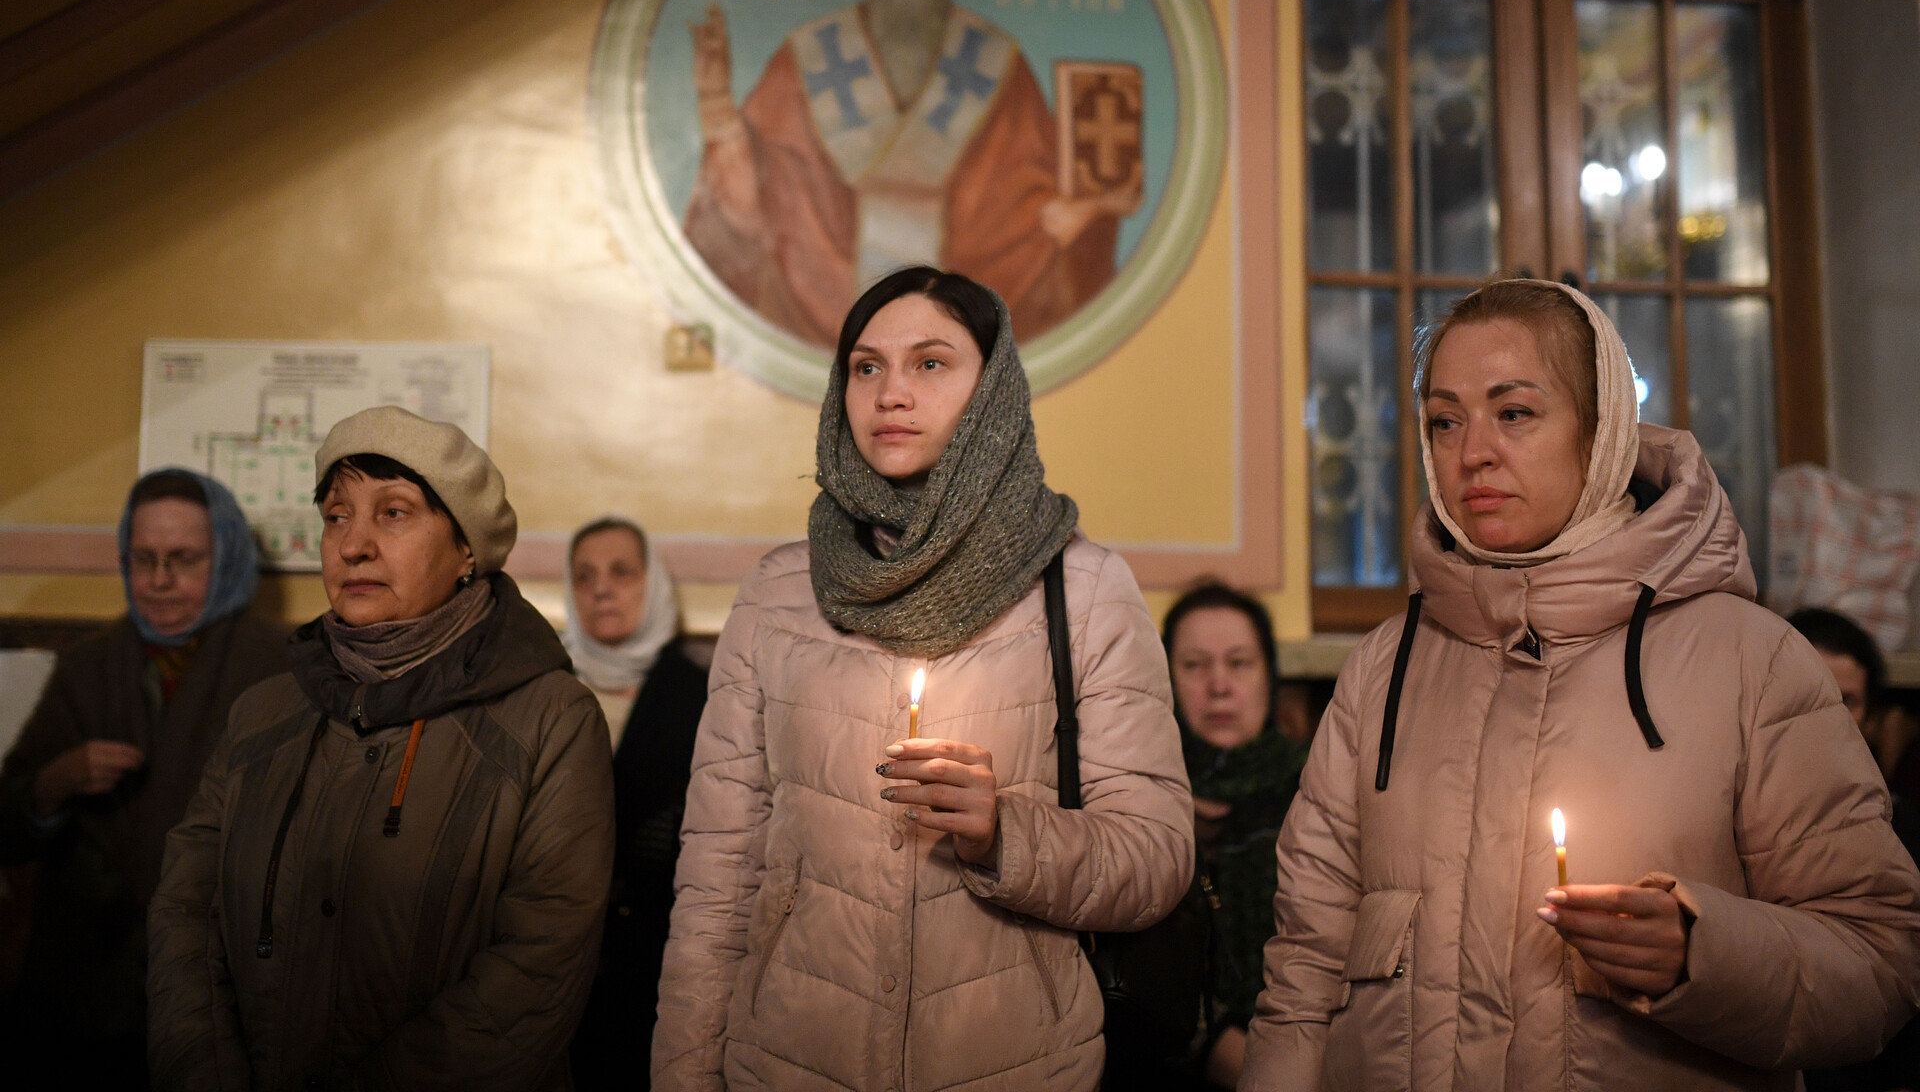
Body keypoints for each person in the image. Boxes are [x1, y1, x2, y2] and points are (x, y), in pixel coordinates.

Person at [1241, 280, 1920, 1090]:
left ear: (1602, 432)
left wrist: (1701, 954)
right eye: (1445, 421)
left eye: (1515, 413)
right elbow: (1303, 976)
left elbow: (1880, 960)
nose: (1473, 453)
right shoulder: (1384, 669)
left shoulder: (1752, 662)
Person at [650, 266, 1193, 1091]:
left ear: (992, 392)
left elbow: (1155, 857)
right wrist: (683, 1077)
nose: (891, 394)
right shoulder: (778, 593)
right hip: (792, 1061)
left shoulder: (1080, 587)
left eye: (930, 364)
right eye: (867, 368)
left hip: (1015, 1065)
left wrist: (1002, 833)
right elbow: (718, 879)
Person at [147, 407, 616, 1090]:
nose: (354, 545)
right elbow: (184, 912)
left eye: (393, 514)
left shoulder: (550, 723)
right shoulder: (261, 714)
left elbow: (538, 968)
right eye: (337, 516)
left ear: (466, 552)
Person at [684, 0, 1139, 345]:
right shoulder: (810, 55)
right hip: (823, 289)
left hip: (965, 299)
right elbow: (762, 190)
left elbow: (1023, 185)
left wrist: (1074, 215)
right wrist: (716, 98)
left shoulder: (994, 59)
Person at [0, 469, 283, 1088]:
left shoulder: (282, 673)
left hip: (223, 989)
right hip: (83, 990)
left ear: (228, 558)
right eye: (143, 559)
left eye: (184, 560)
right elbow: (6, 822)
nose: (159, 582)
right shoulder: (89, 667)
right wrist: (53, 784)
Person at [564, 516, 708, 1091]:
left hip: (660, 962)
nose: (601, 588)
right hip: (561, 965)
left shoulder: (698, 696)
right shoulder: (546, 690)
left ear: (652, 587)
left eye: (622, 572)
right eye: (584, 575)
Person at [1163, 582, 1309, 1089]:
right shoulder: (1135, 800)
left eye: (1240, 662)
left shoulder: (1320, 789)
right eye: (1195, 665)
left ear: (1270, 674)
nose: (1219, 686)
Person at [1791, 607, 1920, 1092]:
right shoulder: (1726, 825)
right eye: (1816, 697)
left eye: (1848, 701)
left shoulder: (1903, 833)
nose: (1832, 719)